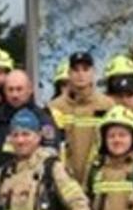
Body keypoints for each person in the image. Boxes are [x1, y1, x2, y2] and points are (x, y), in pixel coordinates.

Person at [48, 51, 115, 182]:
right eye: (76, 70)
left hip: (99, 180)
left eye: (85, 69)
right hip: (64, 181)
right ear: (69, 73)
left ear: (93, 72)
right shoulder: (55, 107)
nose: (80, 74)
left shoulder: (107, 105)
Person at [0, 68, 53, 180]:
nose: (15, 94)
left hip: (30, 182)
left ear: (30, 90)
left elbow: (50, 154)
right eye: (10, 90)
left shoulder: (42, 118)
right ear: (4, 91)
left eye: (19, 89)